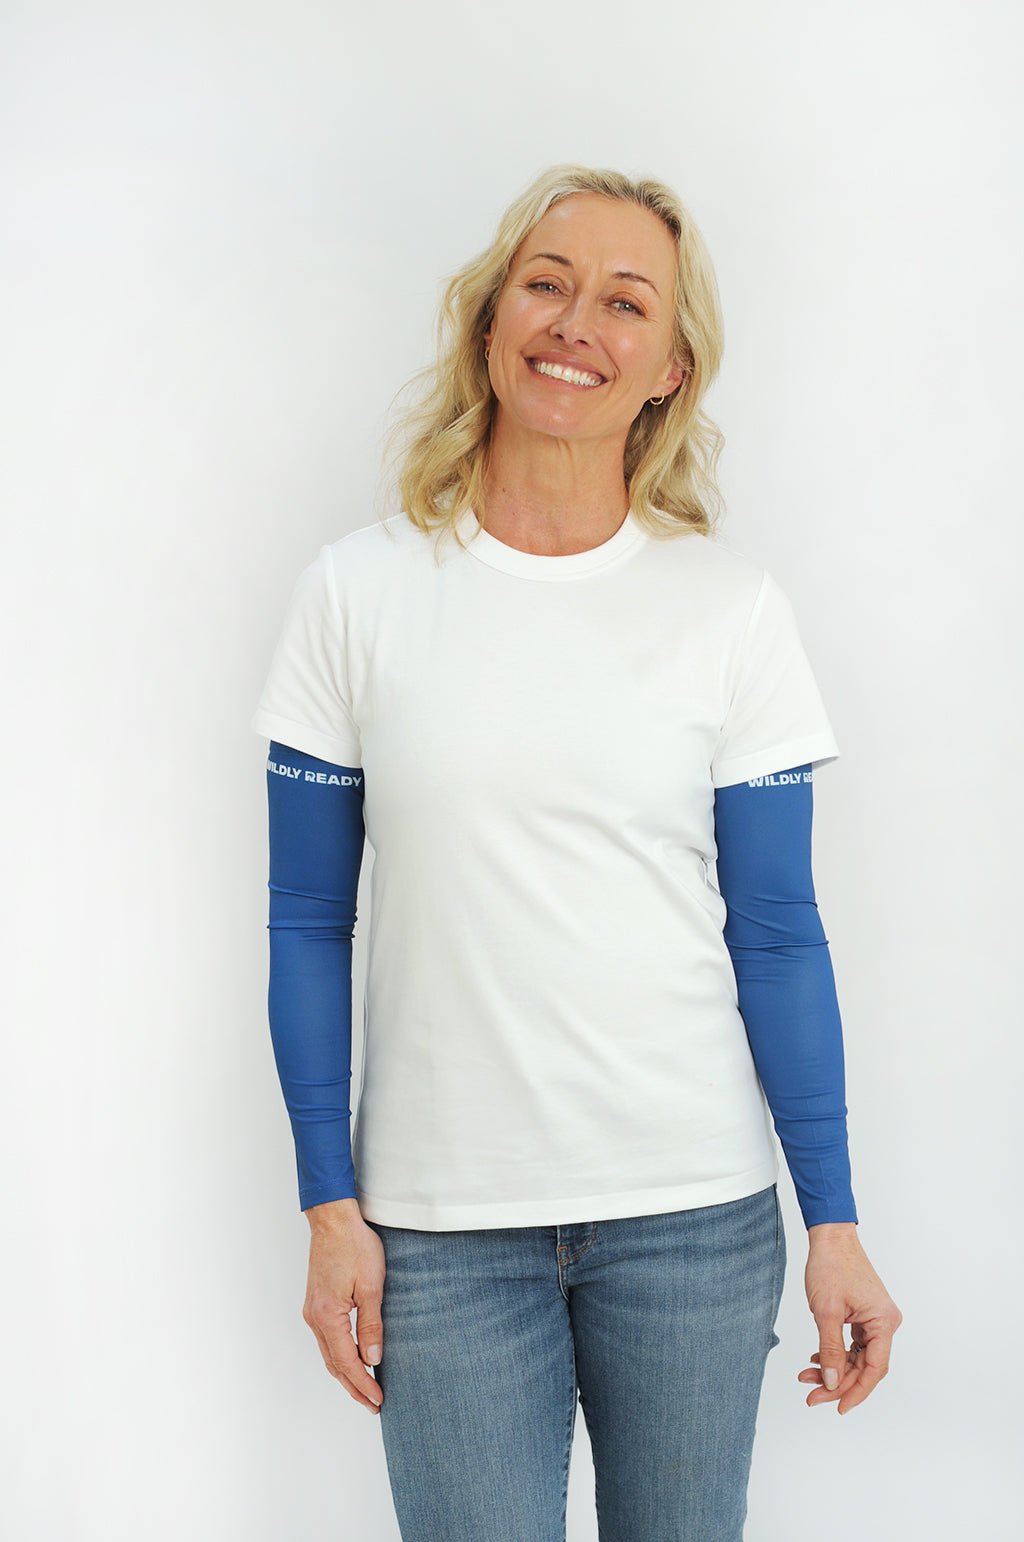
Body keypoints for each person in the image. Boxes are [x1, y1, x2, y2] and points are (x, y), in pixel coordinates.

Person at [251, 164, 902, 1541]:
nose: (576, 323)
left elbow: (778, 931)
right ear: (491, 318)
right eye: (546, 283)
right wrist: (328, 1205)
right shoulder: (356, 595)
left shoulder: (730, 610)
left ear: (671, 369)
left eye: (625, 301)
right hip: (437, 1231)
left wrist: (835, 1220)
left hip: (692, 1220)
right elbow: (308, 917)